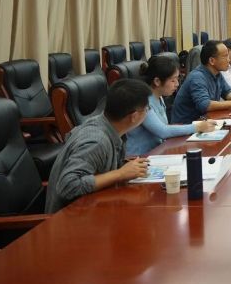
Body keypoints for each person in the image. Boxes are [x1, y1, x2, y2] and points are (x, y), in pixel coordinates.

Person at [46, 79, 152, 213]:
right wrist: (121, 173)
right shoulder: (97, 141)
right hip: (71, 218)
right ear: (134, 116)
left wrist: (126, 166)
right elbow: (68, 186)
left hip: (95, 206)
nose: (148, 112)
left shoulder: (108, 125)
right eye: (147, 109)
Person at [125, 55, 216, 156]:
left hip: (158, 152)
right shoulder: (143, 101)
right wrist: (197, 127)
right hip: (139, 158)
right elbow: (163, 131)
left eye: (177, 79)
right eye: (173, 80)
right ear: (157, 81)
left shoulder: (159, 97)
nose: (177, 84)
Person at [171, 40, 231, 124]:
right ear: (212, 61)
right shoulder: (197, 77)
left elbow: (227, 91)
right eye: (225, 56)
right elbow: (205, 105)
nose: (228, 60)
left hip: (205, 121)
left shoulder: (217, 73)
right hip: (187, 126)